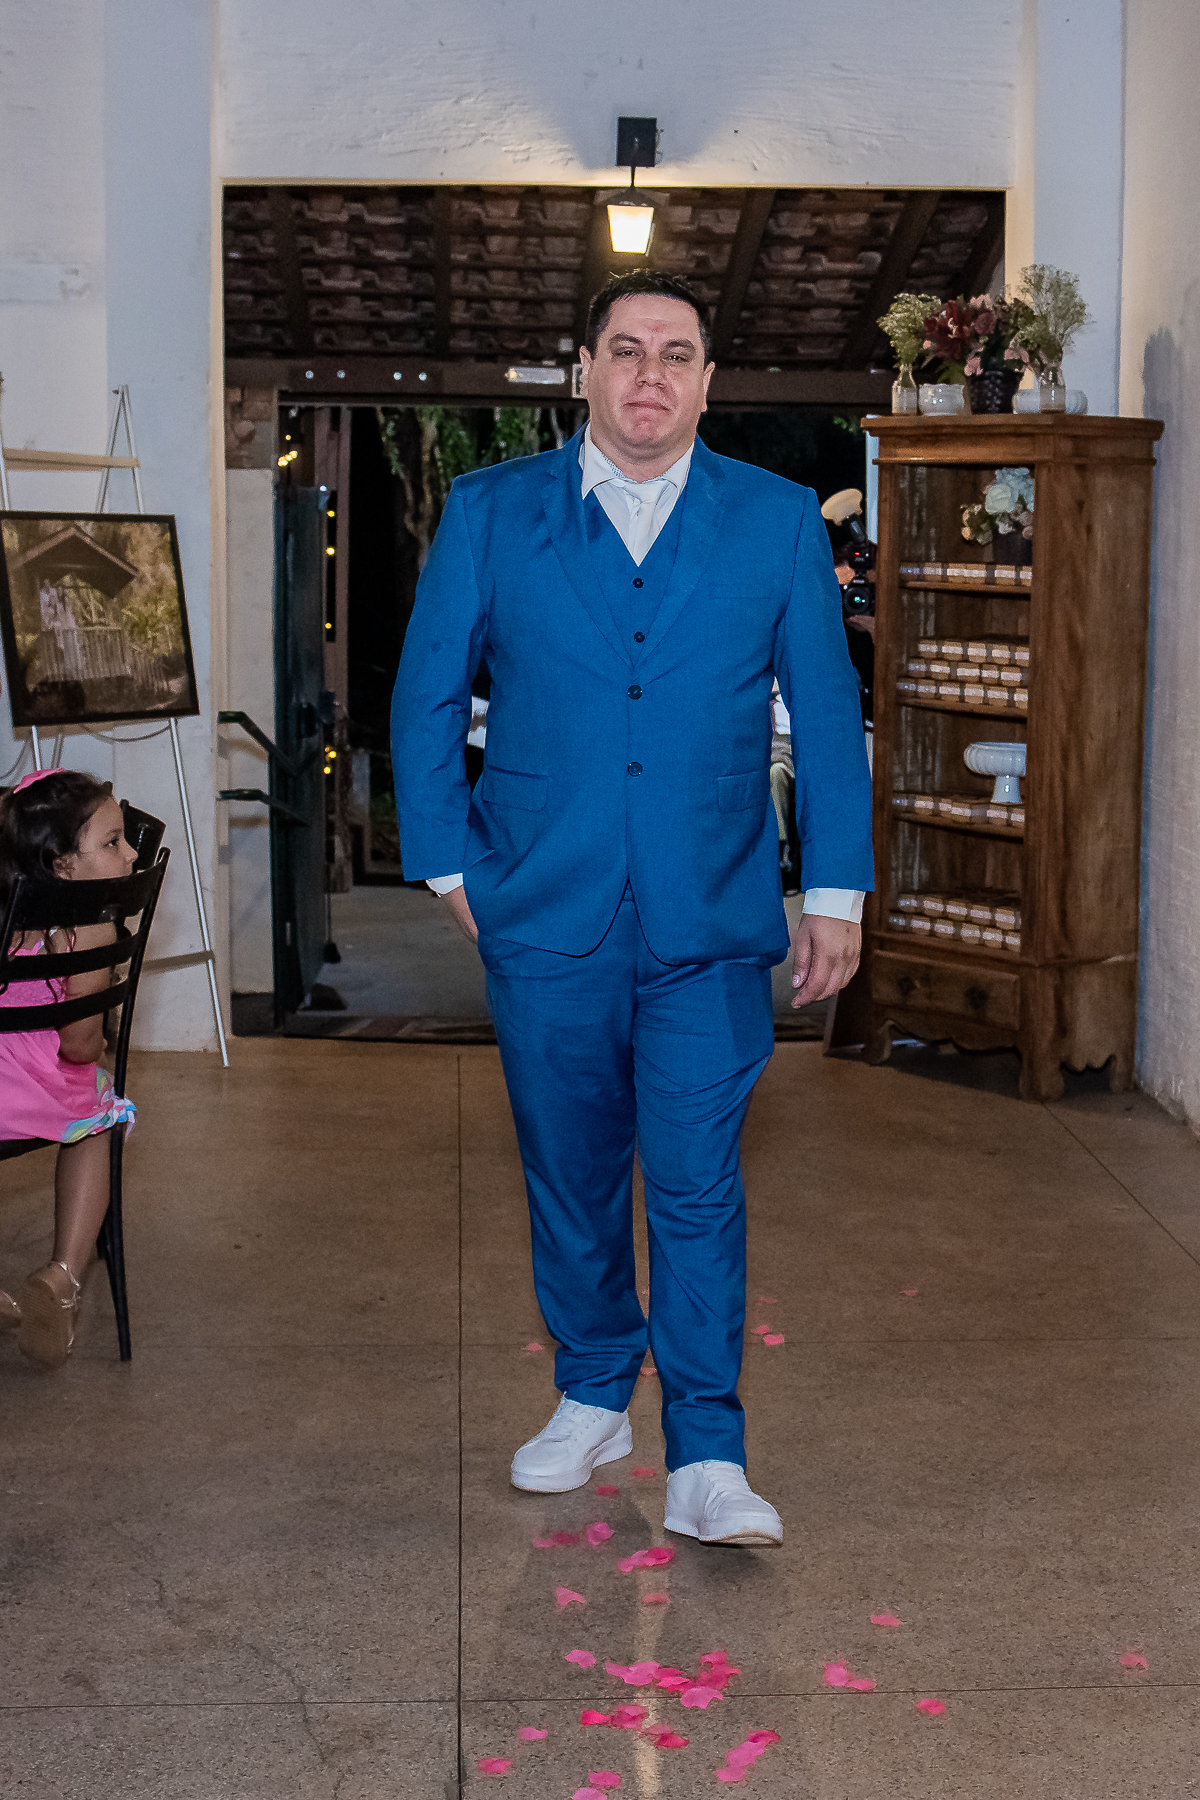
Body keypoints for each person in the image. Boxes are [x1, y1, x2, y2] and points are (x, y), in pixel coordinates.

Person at [392, 270, 872, 1546]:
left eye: (675, 353)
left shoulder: (775, 520)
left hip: (711, 912)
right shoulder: (491, 511)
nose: (649, 374)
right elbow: (427, 694)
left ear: (708, 380)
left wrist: (834, 890)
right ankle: (595, 1388)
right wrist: (448, 869)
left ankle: (707, 1449)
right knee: (570, 1168)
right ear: (585, 370)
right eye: (625, 349)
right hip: (539, 903)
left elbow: (827, 713)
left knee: (698, 1180)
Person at [0, 768, 137, 1368]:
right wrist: (98, 1044)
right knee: (99, 1112)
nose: (130, 854)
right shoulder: (90, 925)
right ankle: (62, 1276)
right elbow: (79, 1045)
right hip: (26, 1087)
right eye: (112, 842)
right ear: (61, 864)